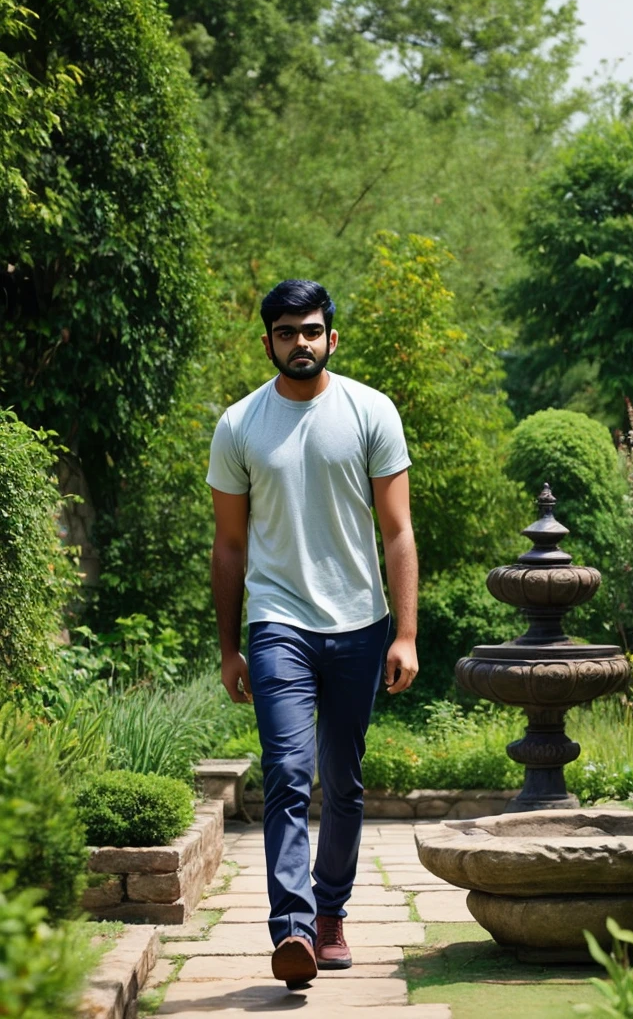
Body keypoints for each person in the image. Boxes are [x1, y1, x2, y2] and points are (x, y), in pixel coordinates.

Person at [207, 279, 418, 989]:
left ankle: (331, 914)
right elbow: (229, 546)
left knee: (346, 781)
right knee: (289, 773)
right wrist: (231, 646)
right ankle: (293, 928)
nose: (301, 342)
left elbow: (398, 532)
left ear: (333, 336)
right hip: (277, 625)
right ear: (266, 340)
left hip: (360, 625)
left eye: (312, 330)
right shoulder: (239, 425)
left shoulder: (370, 411)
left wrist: (406, 633)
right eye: (287, 331)